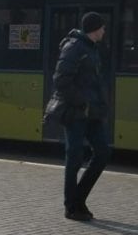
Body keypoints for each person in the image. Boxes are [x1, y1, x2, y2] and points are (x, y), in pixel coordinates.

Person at [45, 12, 111, 222]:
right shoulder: (74, 47)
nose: (104, 30)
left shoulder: (91, 48)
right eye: (102, 27)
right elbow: (60, 80)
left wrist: (99, 105)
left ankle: (79, 198)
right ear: (94, 28)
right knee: (74, 158)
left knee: (102, 152)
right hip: (75, 112)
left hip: (91, 113)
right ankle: (71, 206)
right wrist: (82, 101)